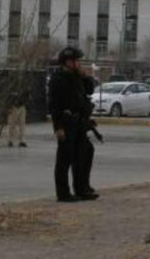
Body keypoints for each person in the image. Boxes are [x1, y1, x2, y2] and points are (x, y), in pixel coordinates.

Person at [49, 47, 99, 202]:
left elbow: (90, 91)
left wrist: (85, 77)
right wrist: (58, 127)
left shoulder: (76, 77)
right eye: (76, 61)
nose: (79, 63)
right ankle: (63, 193)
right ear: (68, 62)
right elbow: (54, 105)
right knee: (64, 159)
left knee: (83, 155)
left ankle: (82, 188)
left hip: (80, 122)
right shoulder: (58, 79)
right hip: (66, 122)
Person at [7, 76, 29, 148]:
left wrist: (25, 104)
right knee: (12, 124)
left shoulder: (25, 88)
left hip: (22, 106)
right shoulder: (12, 87)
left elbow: (27, 97)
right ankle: (10, 140)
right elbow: (9, 97)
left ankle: (21, 140)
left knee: (22, 124)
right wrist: (9, 107)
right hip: (14, 107)